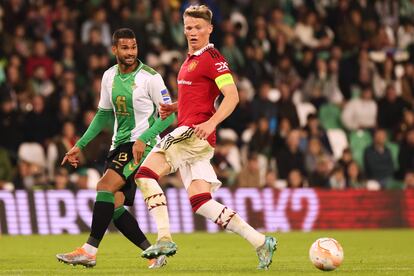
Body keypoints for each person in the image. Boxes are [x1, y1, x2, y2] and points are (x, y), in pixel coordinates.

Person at [135, 5, 277, 269]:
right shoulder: (190, 59)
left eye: (198, 27)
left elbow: (232, 96)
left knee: (144, 175)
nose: (192, 32)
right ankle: (260, 241)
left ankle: (164, 239)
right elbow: (200, 97)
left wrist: (212, 123)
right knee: (201, 202)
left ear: (210, 29)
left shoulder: (213, 58)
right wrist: (176, 106)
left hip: (194, 133)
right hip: (194, 133)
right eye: (188, 27)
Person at [56, 28, 176, 268]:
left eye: (133, 47)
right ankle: (155, 255)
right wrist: (79, 145)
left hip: (140, 145)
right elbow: (102, 116)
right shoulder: (109, 76)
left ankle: (89, 251)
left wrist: (145, 138)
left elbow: (168, 116)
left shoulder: (150, 77)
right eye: (125, 48)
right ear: (114, 50)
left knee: (104, 187)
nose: (130, 52)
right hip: (119, 145)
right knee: (115, 204)